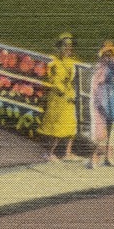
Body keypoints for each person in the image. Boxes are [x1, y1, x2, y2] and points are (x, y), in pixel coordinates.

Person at [88, 40, 114, 169]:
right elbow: (95, 86)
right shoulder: (100, 68)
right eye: (106, 54)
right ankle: (94, 158)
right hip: (100, 101)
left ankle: (108, 157)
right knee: (100, 132)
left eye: (110, 54)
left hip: (112, 101)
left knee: (110, 129)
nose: (108, 57)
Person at [39, 33, 79, 161]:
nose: (68, 49)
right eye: (65, 46)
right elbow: (53, 80)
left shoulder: (72, 62)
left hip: (69, 98)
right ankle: (49, 153)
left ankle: (67, 153)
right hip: (58, 98)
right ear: (59, 47)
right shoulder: (54, 62)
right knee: (56, 127)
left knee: (71, 125)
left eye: (70, 46)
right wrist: (63, 91)